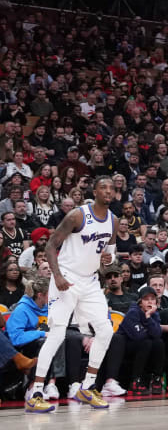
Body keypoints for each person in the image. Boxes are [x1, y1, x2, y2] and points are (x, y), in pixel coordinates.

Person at [25, 176, 116, 414]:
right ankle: (35, 392)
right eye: (103, 187)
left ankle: (87, 387)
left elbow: (110, 256)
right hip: (66, 277)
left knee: (106, 331)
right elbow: (50, 246)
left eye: (112, 188)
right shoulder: (77, 215)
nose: (108, 191)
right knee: (56, 334)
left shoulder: (113, 221)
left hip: (91, 281)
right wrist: (56, 276)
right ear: (94, 191)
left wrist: (108, 259)